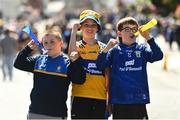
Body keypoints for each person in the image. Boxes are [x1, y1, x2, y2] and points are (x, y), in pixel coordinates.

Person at [96, 17, 164, 119]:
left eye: (134, 29)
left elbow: (158, 56)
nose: (131, 32)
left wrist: (149, 38)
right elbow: (100, 65)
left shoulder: (142, 49)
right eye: (127, 29)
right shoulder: (114, 51)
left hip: (139, 100)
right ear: (119, 33)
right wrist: (107, 48)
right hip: (120, 101)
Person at [14, 30, 84, 119]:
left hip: (57, 115)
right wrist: (27, 49)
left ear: (61, 43)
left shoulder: (67, 63)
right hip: (35, 112)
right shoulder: (38, 60)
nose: (48, 45)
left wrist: (76, 62)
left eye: (52, 42)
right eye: (45, 43)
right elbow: (18, 64)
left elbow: (80, 80)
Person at [68, 9, 108, 119]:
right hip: (80, 95)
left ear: (97, 28)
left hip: (100, 97)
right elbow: (71, 54)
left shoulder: (104, 48)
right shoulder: (76, 45)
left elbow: (108, 74)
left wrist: (110, 99)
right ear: (81, 27)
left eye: (93, 25)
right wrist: (73, 32)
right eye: (86, 25)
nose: (90, 28)